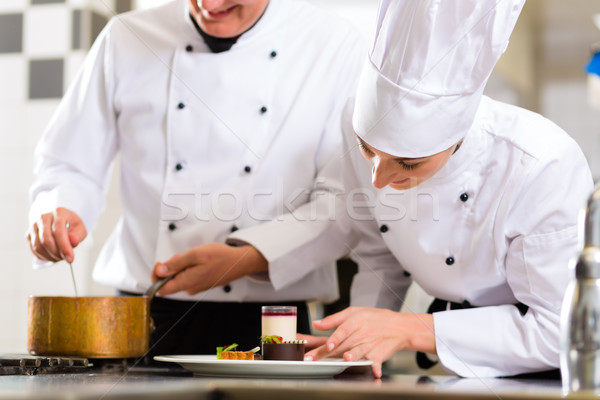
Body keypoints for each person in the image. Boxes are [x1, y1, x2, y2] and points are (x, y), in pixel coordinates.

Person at [27, 0, 363, 356]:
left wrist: (246, 257)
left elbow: (343, 198)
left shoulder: (333, 43)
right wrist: (60, 207)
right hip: (141, 314)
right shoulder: (126, 36)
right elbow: (68, 161)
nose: (210, 5)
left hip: (271, 320)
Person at [304, 0, 594, 379]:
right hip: (454, 364)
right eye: (367, 150)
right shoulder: (353, 122)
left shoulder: (541, 163)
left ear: (457, 136)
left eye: (408, 164)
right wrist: (354, 350)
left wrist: (411, 329)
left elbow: (562, 329)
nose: (378, 179)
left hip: (544, 371)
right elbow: (380, 252)